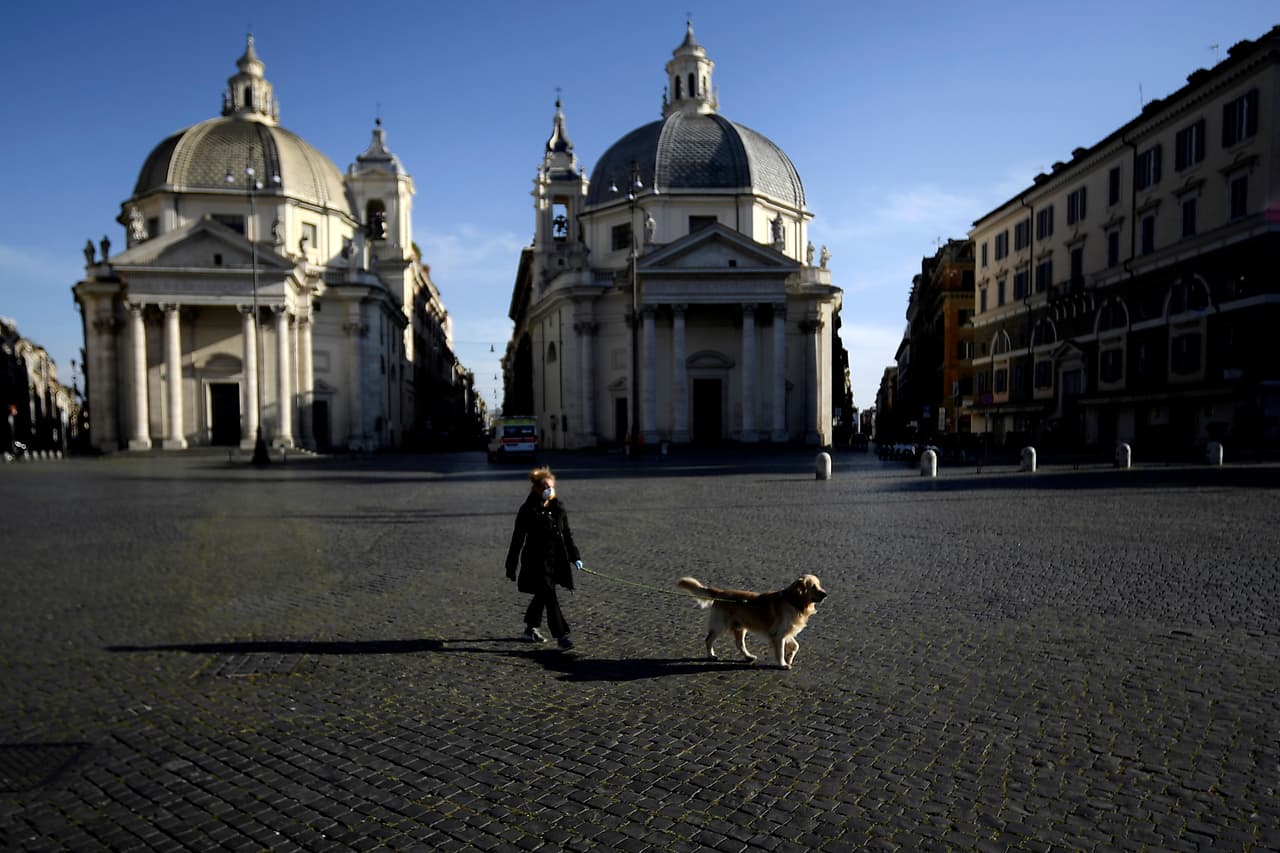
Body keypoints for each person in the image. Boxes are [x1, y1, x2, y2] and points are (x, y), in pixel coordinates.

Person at [505, 466, 582, 648]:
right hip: (535, 561)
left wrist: (575, 556)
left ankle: (530, 628)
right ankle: (561, 636)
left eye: (552, 486)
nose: (550, 490)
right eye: (546, 487)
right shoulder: (528, 509)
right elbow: (517, 539)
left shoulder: (558, 508)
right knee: (549, 594)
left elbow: (567, 534)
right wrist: (511, 565)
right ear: (537, 488)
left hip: (555, 560)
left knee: (543, 593)